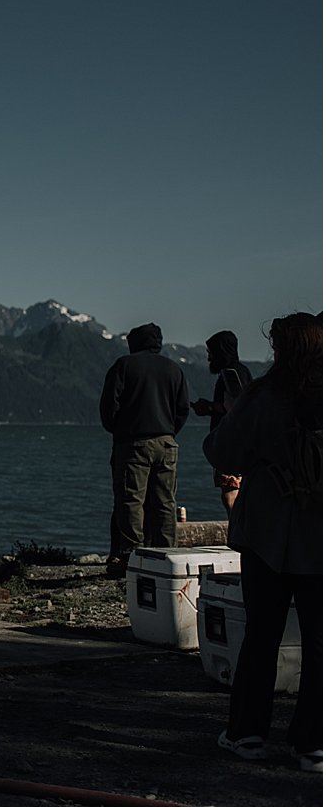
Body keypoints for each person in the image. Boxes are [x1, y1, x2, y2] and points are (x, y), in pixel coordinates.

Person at [204, 312, 321, 772]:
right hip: (321, 538)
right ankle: (313, 743)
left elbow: (223, 451)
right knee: (320, 642)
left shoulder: (263, 395)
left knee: (261, 635)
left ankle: (247, 734)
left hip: (267, 534)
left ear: (279, 348)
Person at [98, 322, 190, 577]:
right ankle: (167, 560)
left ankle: (132, 559)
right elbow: (183, 409)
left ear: (134, 342)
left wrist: (119, 430)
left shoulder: (124, 366)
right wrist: (169, 431)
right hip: (167, 443)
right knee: (164, 503)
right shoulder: (174, 369)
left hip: (133, 444)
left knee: (131, 502)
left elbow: (108, 408)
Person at [191, 330, 254, 513]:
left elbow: (237, 406)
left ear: (220, 352)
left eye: (211, 352)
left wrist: (209, 408)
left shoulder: (230, 374)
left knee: (230, 496)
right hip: (239, 444)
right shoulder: (242, 371)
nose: (209, 357)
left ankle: (237, 535)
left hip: (232, 445)